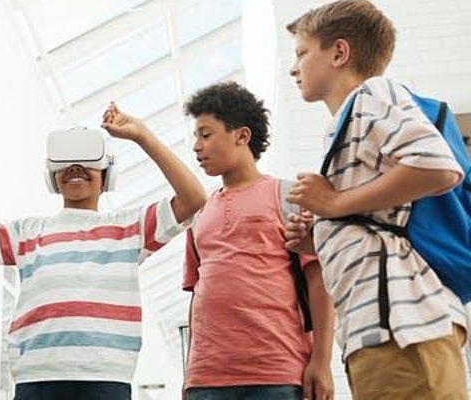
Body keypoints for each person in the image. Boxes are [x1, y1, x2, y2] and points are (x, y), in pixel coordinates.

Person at [0, 102, 206, 400]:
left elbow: (193, 198)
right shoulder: (26, 232)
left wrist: (142, 136)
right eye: (65, 164)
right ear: (51, 177)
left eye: (87, 162)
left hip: (106, 379)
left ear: (108, 176)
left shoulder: (131, 228)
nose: (75, 168)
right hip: (36, 378)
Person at [284, 1, 467, 399]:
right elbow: (380, 218)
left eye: (301, 53)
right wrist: (320, 237)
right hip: (380, 330)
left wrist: (332, 204)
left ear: (339, 53)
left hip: (401, 327)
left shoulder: (372, 93)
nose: (293, 68)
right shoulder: (347, 122)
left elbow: (438, 167)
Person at [181, 81, 334, 400]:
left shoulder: (290, 196)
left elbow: (318, 280)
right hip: (206, 381)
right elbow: (197, 295)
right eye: (196, 136)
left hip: (277, 372)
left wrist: (321, 360)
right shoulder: (200, 214)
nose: (196, 146)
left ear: (242, 135)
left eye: (206, 134)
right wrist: (189, 375)